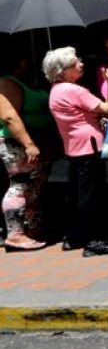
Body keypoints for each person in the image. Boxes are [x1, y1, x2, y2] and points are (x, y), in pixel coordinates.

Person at [44, 46, 108, 255]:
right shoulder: (74, 90)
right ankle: (94, 241)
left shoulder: (55, 90)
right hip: (89, 145)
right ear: (63, 70)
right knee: (91, 195)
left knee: (77, 193)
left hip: (73, 146)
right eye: (75, 62)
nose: (81, 64)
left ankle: (76, 236)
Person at [1, 87, 45, 250]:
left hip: (26, 142)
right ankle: (15, 235)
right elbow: (9, 117)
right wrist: (28, 144)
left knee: (31, 187)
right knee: (19, 185)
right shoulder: (6, 83)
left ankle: (28, 230)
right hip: (15, 142)